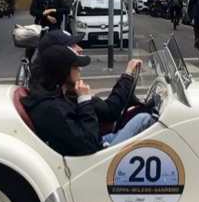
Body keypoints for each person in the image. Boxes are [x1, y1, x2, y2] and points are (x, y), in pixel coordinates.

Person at [22, 45, 153, 155]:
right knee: (144, 120)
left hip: (97, 142)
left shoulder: (53, 96)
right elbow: (87, 145)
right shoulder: (52, 108)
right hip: (94, 156)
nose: (80, 69)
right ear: (64, 71)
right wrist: (84, 101)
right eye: (75, 66)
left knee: (138, 120)